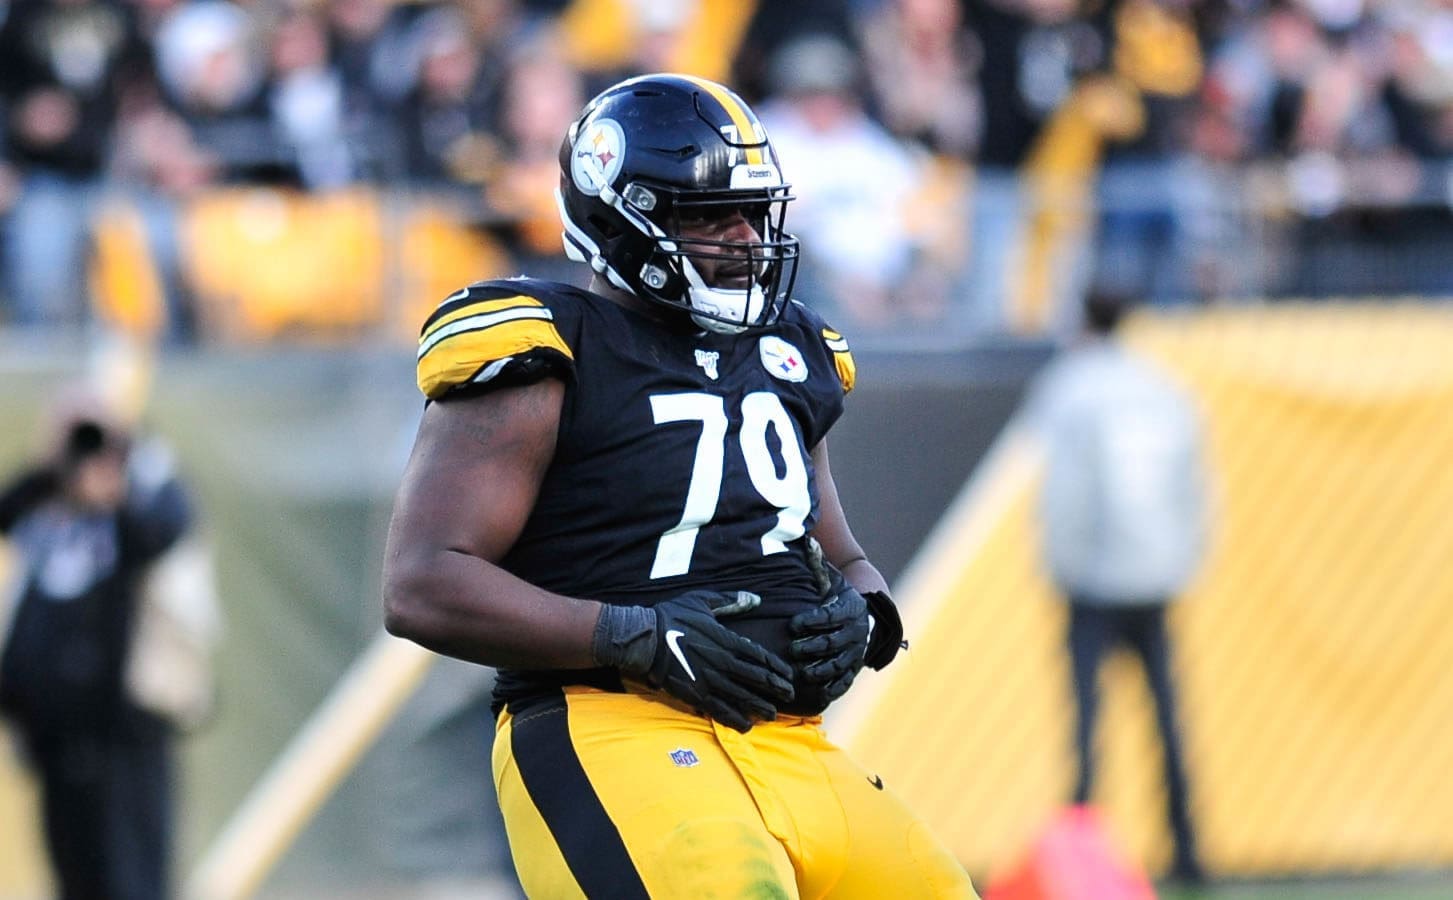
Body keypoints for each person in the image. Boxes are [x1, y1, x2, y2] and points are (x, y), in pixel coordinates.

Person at [383, 73, 978, 897]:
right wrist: (633, 634)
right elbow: (421, 585)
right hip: (611, 724)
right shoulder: (550, 348)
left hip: (788, 741)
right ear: (620, 218)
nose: (742, 237)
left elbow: (835, 550)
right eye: (708, 215)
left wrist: (866, 611)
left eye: (751, 211)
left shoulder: (790, 347)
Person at [1024, 289, 1210, 884]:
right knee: (1167, 720)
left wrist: (1061, 563)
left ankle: (1083, 860)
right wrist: (1181, 559)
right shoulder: (1161, 385)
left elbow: (1064, 488)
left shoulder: (1070, 386)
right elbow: (1196, 481)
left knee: (1086, 725)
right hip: (1156, 576)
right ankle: (1187, 852)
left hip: (1092, 580)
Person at [0, 400, 197, 900]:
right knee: (75, 881)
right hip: (55, 740)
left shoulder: (145, 496)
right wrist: (53, 460)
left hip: (126, 739)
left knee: (131, 881)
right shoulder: (48, 508)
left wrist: (122, 459)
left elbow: (165, 530)